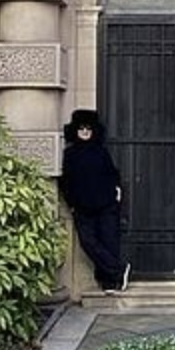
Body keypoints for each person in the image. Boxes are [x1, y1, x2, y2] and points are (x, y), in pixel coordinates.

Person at [59, 108, 130, 294]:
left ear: (94, 130)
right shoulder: (70, 154)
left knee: (109, 240)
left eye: (88, 128)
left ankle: (110, 282)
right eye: (81, 128)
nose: (84, 131)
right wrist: (72, 203)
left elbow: (112, 174)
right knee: (88, 242)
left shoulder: (101, 152)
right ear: (75, 130)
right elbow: (66, 181)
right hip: (82, 207)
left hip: (106, 205)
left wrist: (116, 192)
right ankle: (118, 270)